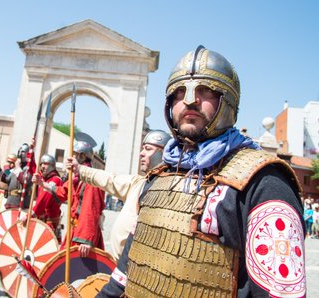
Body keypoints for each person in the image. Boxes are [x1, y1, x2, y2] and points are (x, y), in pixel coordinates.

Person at [98, 45, 306, 297]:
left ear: (227, 101)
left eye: (205, 90)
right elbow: (127, 268)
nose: (188, 100)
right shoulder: (160, 176)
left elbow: (280, 292)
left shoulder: (264, 182)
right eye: (179, 92)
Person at [67, 129, 171, 261]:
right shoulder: (139, 182)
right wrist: (79, 169)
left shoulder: (170, 189)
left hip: (140, 267)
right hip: (121, 264)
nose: (141, 153)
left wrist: (86, 238)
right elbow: (111, 180)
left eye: (147, 149)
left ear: (163, 153)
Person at [34, 135, 105, 257]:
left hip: (83, 237)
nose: (70, 159)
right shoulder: (76, 178)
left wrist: (86, 239)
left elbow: (91, 211)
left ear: (83, 157)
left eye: (75, 155)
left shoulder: (91, 180)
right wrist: (42, 184)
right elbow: (63, 192)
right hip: (74, 231)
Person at [25, 154, 63, 242]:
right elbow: (33, 169)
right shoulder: (43, 179)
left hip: (50, 222)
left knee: (46, 247)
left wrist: (31, 214)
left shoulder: (56, 180)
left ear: (52, 166)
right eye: (41, 163)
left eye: (46, 164)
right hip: (41, 220)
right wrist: (31, 151)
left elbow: (44, 199)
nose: (42, 166)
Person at [0, 141, 36, 209]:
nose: (20, 154)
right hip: (10, 201)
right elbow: (7, 179)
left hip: (21, 203)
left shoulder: (29, 168)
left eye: (22, 152)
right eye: (20, 151)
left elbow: (25, 181)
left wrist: (18, 168)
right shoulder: (16, 167)